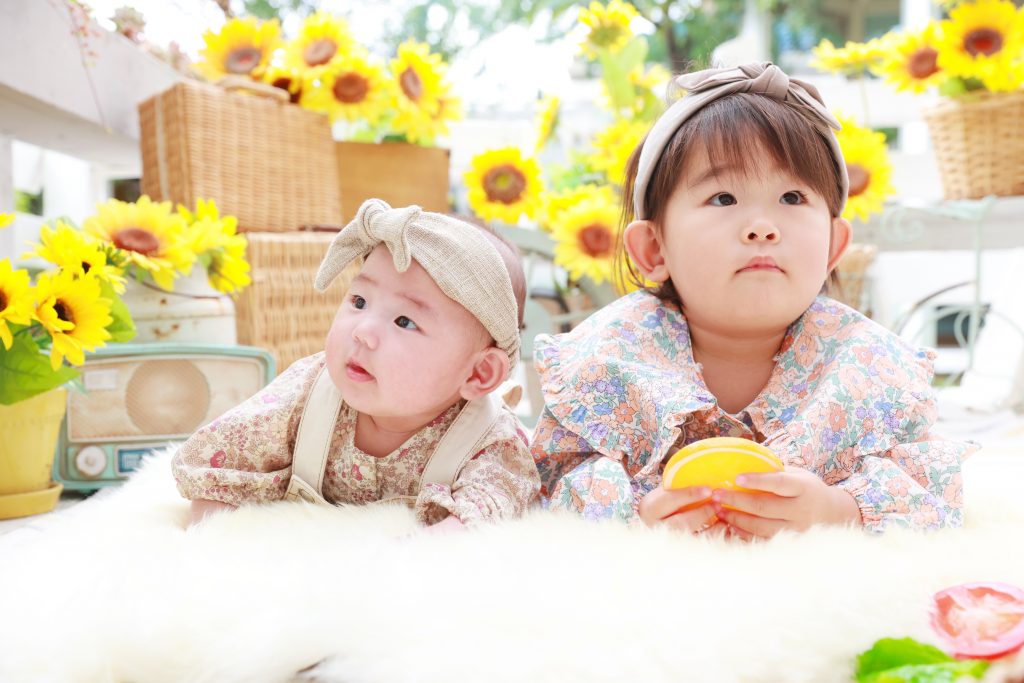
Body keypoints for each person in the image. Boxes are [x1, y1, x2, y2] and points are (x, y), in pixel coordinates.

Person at [530, 62, 971, 537]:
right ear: (655, 249)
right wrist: (634, 516)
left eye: (792, 197)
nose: (763, 226)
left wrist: (841, 510)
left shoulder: (866, 366)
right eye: (723, 198)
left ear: (832, 246)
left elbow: (935, 490)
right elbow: (549, 480)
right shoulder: (611, 358)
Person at [173, 199, 540, 530]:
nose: (362, 331)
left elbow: (485, 522)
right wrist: (219, 544)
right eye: (360, 301)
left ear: (478, 373)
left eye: (404, 321)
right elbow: (220, 470)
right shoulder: (306, 394)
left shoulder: (489, 441)